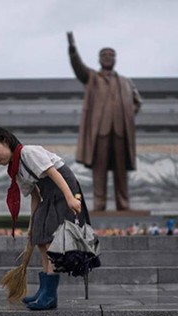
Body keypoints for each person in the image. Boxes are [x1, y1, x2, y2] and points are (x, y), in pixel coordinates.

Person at [0, 126, 90, 311]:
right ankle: (44, 290)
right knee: (39, 239)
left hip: (63, 188)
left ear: (5, 141)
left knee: (50, 242)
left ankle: (49, 295)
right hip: (48, 195)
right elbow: (35, 197)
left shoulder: (28, 152)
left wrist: (70, 197)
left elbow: (54, 173)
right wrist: (33, 224)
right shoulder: (15, 170)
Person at [67, 31, 142, 211]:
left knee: (121, 172)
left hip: (120, 132)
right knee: (99, 171)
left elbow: (137, 102)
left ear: (115, 59)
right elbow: (79, 68)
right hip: (100, 131)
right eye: (104, 55)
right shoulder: (92, 77)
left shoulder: (125, 82)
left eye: (111, 55)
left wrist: (126, 114)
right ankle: (99, 204)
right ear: (99, 59)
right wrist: (72, 50)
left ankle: (123, 204)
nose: (108, 58)